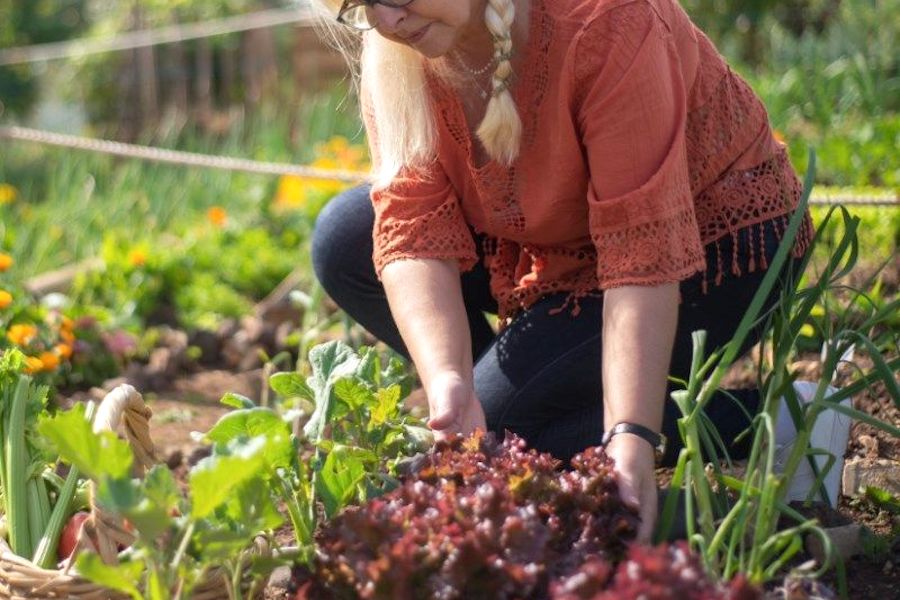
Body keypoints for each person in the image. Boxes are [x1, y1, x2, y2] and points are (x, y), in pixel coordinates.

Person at [309, 0, 819, 542]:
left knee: (512, 433)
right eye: (361, 6)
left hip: (713, 247)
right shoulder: (398, 51)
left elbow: (641, 259)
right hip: (561, 240)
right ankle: (519, 401)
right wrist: (449, 381)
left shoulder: (610, 22)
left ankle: (773, 416)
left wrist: (631, 436)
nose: (386, 21)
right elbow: (412, 225)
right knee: (346, 237)